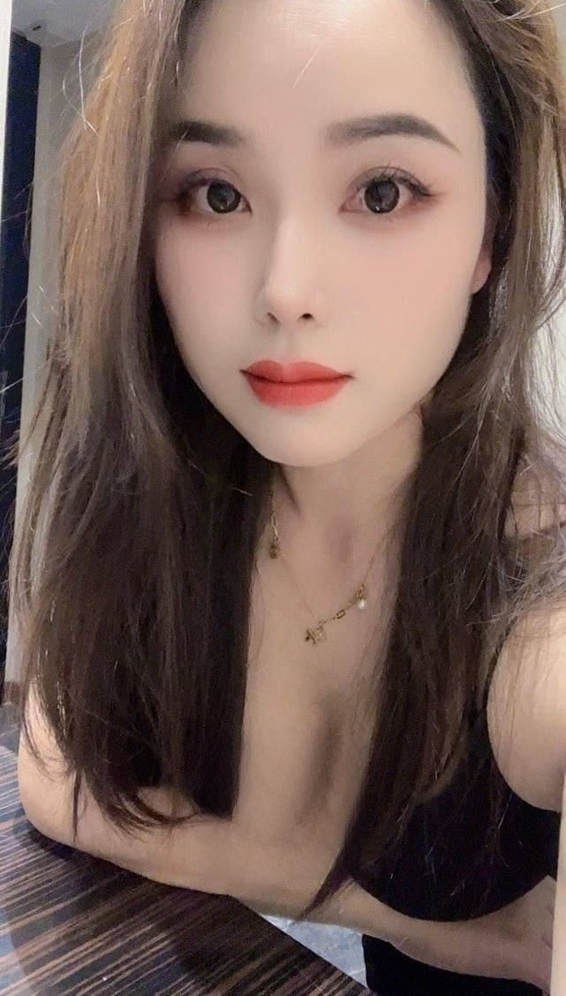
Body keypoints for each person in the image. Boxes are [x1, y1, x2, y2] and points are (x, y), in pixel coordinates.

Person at [11, 0, 566, 992]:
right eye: (216, 194)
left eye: (383, 191)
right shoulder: (173, 492)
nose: (285, 289)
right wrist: (436, 928)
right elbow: (55, 771)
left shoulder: (541, 629)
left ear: (494, 227)